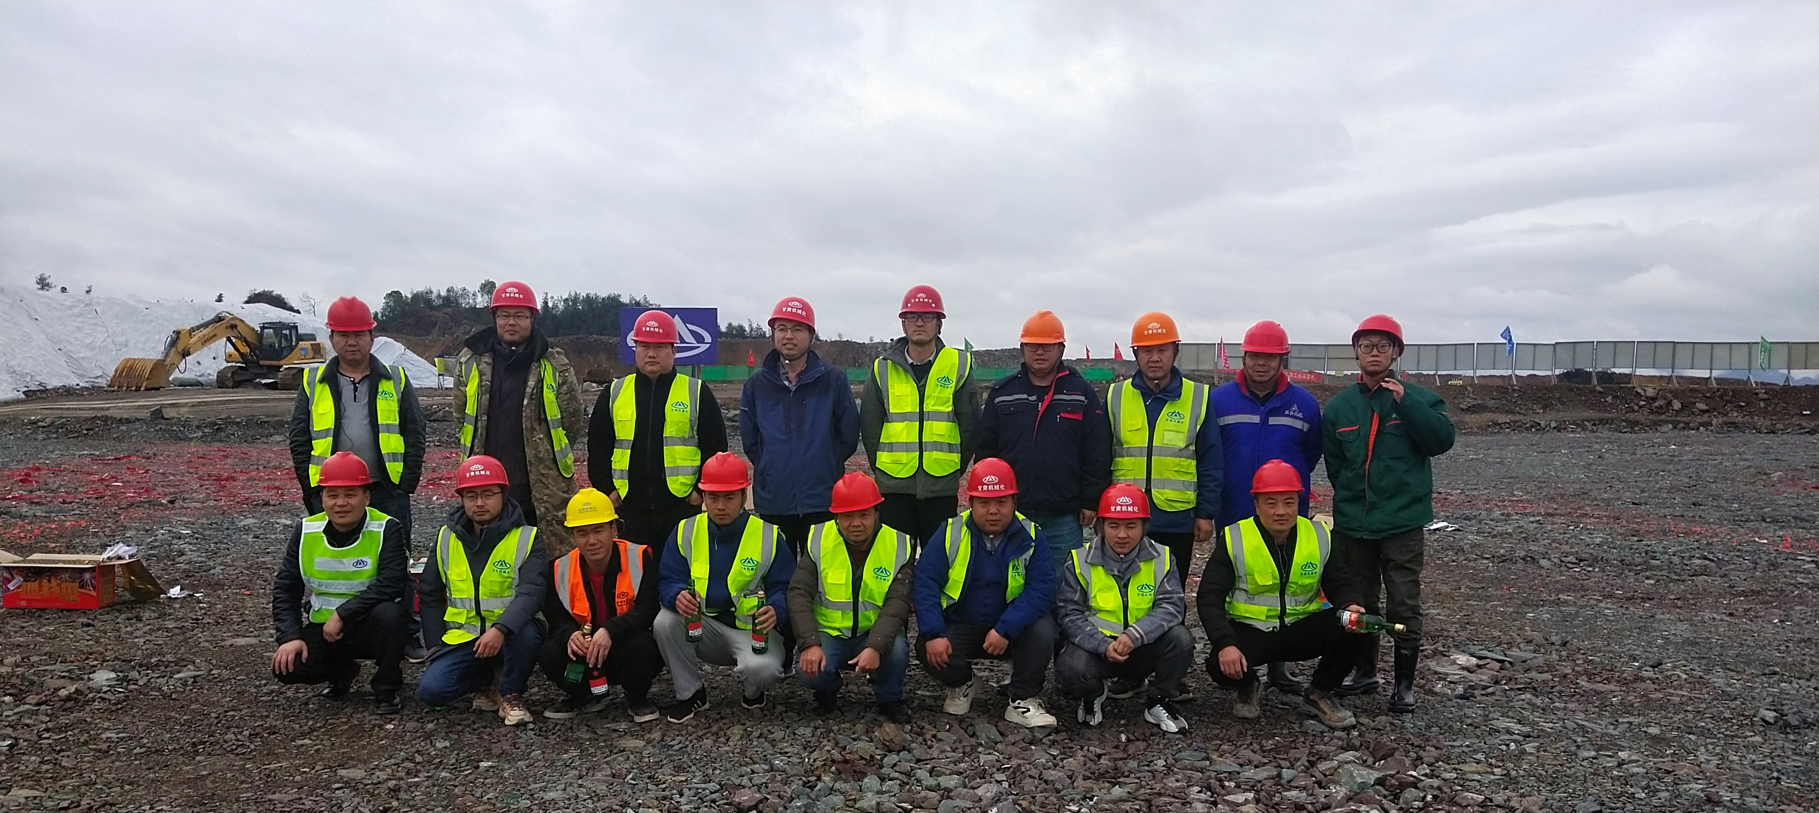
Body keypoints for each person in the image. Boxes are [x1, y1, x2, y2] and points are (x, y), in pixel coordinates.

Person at [1322, 314, 1455, 713]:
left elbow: (1441, 441)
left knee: (1403, 603)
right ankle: (1364, 673)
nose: (1374, 353)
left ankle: (1404, 685)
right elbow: (1335, 466)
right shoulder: (1340, 408)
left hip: (1402, 525)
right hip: (1354, 525)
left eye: (1382, 346)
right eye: (1366, 346)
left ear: (1396, 352)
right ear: (1356, 352)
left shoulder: (1420, 400)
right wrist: (1351, 503)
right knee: (1360, 602)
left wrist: (1406, 403)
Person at [287, 295, 428, 661]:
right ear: (332, 338)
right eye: (344, 335)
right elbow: (300, 438)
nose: (352, 342)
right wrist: (312, 489)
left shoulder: (395, 379)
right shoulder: (313, 381)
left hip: (387, 489)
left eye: (359, 335)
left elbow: (414, 431)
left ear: (371, 337)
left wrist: (406, 484)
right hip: (333, 492)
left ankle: (404, 633)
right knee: (335, 561)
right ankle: (334, 632)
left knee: (397, 563)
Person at [1197, 460, 1369, 729]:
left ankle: (1320, 692)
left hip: (1302, 627)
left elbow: (1339, 581)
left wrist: (1351, 604)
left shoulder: (1319, 535)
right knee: (1219, 667)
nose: (1281, 511)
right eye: (1271, 503)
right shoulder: (1234, 538)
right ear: (1257, 505)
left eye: (1289, 502)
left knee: (1361, 624)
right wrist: (1225, 643)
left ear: (1298, 502)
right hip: (1252, 630)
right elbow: (1209, 597)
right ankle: (1249, 684)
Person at [1210, 319, 1324, 694]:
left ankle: (1278, 663)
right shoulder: (1218, 402)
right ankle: (1240, 662)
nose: (1262, 363)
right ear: (1244, 357)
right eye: (1255, 355)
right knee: (1236, 586)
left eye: (1270, 357)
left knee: (1283, 583)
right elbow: (1209, 453)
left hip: (1284, 515)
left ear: (1282, 359)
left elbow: (1310, 454)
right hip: (1233, 508)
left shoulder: (1305, 405)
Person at [912, 459, 1059, 728]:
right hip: (961, 623)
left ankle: (1022, 698)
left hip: (1011, 630)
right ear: (970, 503)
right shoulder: (949, 532)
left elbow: (1042, 589)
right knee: (926, 645)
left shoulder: (1032, 535)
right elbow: (925, 582)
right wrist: (934, 633)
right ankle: (963, 682)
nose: (993, 511)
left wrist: (1006, 628)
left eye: (1002, 502)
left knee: (1044, 630)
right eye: (984, 503)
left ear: (1014, 502)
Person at [654, 452, 796, 722]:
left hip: (752, 631)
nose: (720, 506)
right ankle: (691, 693)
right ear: (704, 497)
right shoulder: (685, 530)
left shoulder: (768, 535)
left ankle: (753, 692)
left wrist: (776, 609)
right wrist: (676, 595)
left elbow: (786, 586)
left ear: (744, 496)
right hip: (703, 627)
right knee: (664, 622)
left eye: (729, 497)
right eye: (713, 497)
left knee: (763, 670)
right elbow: (668, 579)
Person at [270, 452, 410, 714]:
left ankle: (387, 686)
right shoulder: (305, 530)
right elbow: (286, 588)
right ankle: (342, 672)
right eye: (332, 494)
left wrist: (343, 614)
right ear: (322, 498)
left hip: (371, 625)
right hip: (325, 629)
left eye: (350, 494)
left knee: (392, 615)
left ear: (366, 497)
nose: (341, 503)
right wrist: (290, 637)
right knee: (288, 667)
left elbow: (392, 582)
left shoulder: (386, 528)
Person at [415, 455, 548, 726]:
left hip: (510, 635)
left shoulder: (527, 537)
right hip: (465, 639)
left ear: (503, 495)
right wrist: (435, 645)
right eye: (471, 495)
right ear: (461, 498)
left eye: (488, 494)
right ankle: (487, 680)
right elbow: (429, 592)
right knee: (432, 691)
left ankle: (510, 693)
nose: (479, 502)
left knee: (528, 633)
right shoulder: (446, 537)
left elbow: (531, 593)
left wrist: (500, 630)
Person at [454, 280, 585, 554]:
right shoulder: (470, 362)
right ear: (495, 318)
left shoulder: (555, 365)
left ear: (532, 319)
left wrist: (544, 455)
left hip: (543, 485)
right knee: (491, 556)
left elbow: (572, 421)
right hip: (486, 484)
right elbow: (461, 417)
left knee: (549, 557)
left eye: (520, 316)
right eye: (504, 315)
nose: (511, 322)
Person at [1054, 484, 1192, 732]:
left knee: (1181, 640)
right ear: (1100, 525)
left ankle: (1158, 699)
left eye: (1131, 526)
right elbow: (1068, 614)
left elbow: (1171, 606)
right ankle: (1093, 694)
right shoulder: (1078, 560)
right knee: (1070, 667)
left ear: (1144, 526)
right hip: (1098, 649)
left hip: (1143, 646)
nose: (1122, 534)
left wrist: (1134, 636)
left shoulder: (1163, 557)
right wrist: (1102, 645)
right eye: (1113, 525)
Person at [589, 309, 728, 555]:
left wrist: (699, 491)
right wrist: (607, 489)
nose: (651, 353)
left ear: (674, 350)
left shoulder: (696, 392)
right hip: (629, 508)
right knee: (637, 571)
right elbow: (598, 447)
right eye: (644, 346)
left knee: (681, 570)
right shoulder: (614, 393)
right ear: (635, 349)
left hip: (681, 507)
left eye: (660, 346)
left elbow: (715, 447)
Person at [977, 310, 1111, 559]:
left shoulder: (1081, 394)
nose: (1039, 352)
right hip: (1012, 515)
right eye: (1033, 345)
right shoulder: (1003, 394)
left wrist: (1090, 500)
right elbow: (986, 452)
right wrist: (989, 501)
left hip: (1064, 518)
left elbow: (1096, 451)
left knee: (1064, 580)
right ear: (1022, 349)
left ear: (1061, 349)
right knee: (1010, 578)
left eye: (1047, 346)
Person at [787, 472, 914, 723]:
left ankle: (889, 698)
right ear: (836, 517)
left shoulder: (899, 545)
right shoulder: (819, 541)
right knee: (807, 669)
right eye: (847, 515)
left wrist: (875, 646)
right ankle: (828, 688)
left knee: (898, 651)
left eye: (864, 515)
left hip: (873, 633)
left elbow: (897, 605)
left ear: (876, 513)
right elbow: (798, 593)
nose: (856, 523)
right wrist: (809, 642)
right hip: (830, 634)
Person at [1106, 312, 1222, 583]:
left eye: (1162, 350)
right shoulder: (1116, 396)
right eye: (1147, 351)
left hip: (1176, 520)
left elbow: (1211, 462)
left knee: (1171, 590)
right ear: (1136, 354)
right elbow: (1100, 457)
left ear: (1175, 352)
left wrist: (1205, 514)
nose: (1155, 358)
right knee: (1123, 590)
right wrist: (1102, 511)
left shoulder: (1198, 397)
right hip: (1125, 517)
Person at [739, 297, 860, 556]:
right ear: (773, 333)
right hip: (774, 500)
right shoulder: (756, 385)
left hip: (822, 500)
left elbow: (848, 434)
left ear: (811, 335)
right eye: (781, 328)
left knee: (819, 571)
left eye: (797, 329)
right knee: (777, 572)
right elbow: (750, 439)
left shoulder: (833, 380)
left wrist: (826, 465)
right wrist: (770, 467)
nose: (788, 336)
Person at [861, 284, 979, 548]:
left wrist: (952, 471)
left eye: (927, 316)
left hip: (940, 488)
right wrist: (883, 471)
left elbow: (969, 426)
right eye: (912, 316)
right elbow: (870, 427)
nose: (919, 322)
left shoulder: (958, 365)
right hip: (894, 488)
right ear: (903, 323)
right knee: (895, 560)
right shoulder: (882, 368)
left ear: (939, 323)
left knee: (939, 561)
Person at [537, 488, 663, 723]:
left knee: (640, 645)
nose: (592, 541)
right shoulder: (558, 569)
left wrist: (610, 630)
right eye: (582, 533)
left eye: (598, 530)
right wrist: (570, 635)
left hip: (624, 647)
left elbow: (648, 609)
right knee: (549, 652)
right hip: (585, 654)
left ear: (613, 529)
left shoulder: (639, 558)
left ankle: (637, 698)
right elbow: (555, 617)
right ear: (573, 537)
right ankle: (582, 696)